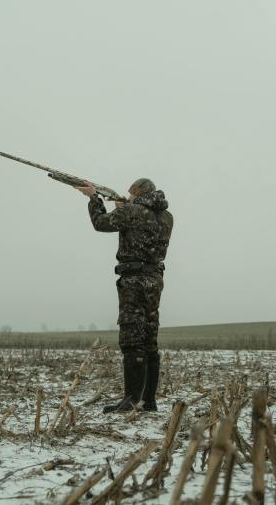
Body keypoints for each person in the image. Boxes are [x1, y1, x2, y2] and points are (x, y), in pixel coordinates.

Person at [75, 177, 173, 412]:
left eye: (131, 194)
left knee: (131, 338)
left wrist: (93, 198)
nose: (127, 197)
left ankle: (130, 400)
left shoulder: (133, 210)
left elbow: (101, 223)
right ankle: (148, 401)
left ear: (137, 193)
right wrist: (125, 206)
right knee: (149, 339)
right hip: (155, 280)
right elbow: (141, 221)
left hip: (134, 280)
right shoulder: (167, 217)